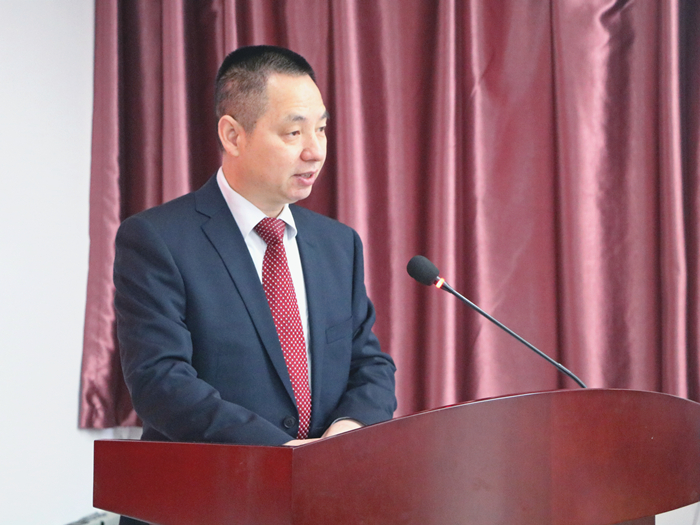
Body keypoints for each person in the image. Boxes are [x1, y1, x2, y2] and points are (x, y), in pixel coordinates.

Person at [114, 45, 396, 460]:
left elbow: (369, 365)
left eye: (320, 129)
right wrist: (282, 453)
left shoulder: (338, 245)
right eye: (293, 133)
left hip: (321, 487)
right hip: (207, 487)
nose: (315, 151)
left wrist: (344, 435)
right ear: (233, 135)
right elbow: (161, 381)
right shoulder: (158, 240)